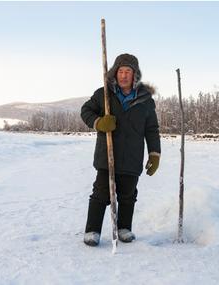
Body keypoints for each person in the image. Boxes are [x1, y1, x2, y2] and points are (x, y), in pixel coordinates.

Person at [80, 53, 161, 246]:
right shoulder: (103, 94)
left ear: (135, 75)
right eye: (120, 71)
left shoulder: (145, 99)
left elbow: (152, 129)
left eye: (128, 71)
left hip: (132, 156)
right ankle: (92, 231)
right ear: (114, 73)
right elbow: (85, 111)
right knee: (101, 193)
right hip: (107, 155)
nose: (124, 75)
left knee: (128, 194)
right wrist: (99, 122)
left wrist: (154, 153)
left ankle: (124, 228)